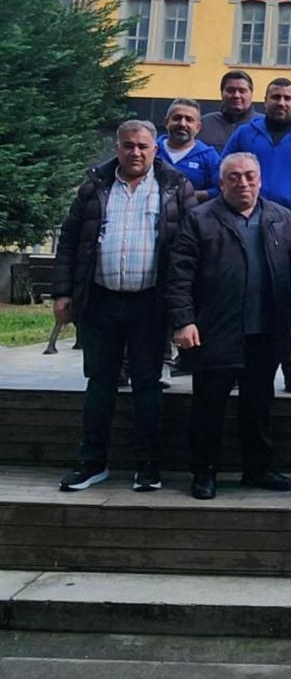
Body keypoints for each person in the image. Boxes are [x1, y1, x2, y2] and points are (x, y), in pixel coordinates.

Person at [52, 120, 195, 492]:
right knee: (100, 384)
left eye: (143, 146)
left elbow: (188, 249)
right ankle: (92, 462)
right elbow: (69, 241)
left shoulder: (175, 187)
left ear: (155, 149)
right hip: (101, 301)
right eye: (128, 145)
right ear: (117, 148)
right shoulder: (94, 185)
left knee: (148, 386)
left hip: (151, 303)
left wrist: (184, 311)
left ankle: (147, 466)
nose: (135, 152)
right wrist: (63, 293)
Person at [166, 152, 291, 500]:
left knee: (259, 406)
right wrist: (183, 321)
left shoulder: (282, 218)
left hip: (265, 331)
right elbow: (179, 275)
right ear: (221, 182)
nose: (243, 183)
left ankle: (258, 469)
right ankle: (204, 472)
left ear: (260, 179)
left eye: (250, 176)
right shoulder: (199, 219)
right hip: (214, 330)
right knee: (208, 407)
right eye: (234, 177)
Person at [223, 77, 291, 397]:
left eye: (287, 98)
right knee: (243, 291)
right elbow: (224, 167)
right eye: (276, 97)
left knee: (289, 296)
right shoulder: (245, 133)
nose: (281, 103)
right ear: (265, 100)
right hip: (246, 223)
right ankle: (236, 367)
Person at [157, 98, 220, 202]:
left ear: (198, 127)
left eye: (189, 120)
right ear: (166, 122)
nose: (182, 124)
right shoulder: (152, 150)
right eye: (177, 118)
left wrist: (189, 195)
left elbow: (220, 189)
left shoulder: (209, 157)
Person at [200, 70, 259, 152]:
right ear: (221, 93)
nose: (236, 95)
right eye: (230, 90)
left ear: (251, 94)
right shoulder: (204, 124)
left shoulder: (264, 125)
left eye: (242, 91)